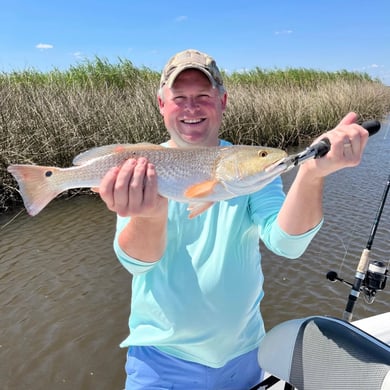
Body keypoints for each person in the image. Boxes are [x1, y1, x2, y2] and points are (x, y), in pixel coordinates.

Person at [98, 49, 369, 389]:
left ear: (223, 101)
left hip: (244, 359)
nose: (191, 108)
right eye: (179, 97)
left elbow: (286, 243)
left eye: (203, 96)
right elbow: (136, 263)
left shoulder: (255, 175)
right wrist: (150, 216)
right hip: (160, 365)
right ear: (161, 104)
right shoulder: (145, 168)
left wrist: (312, 175)